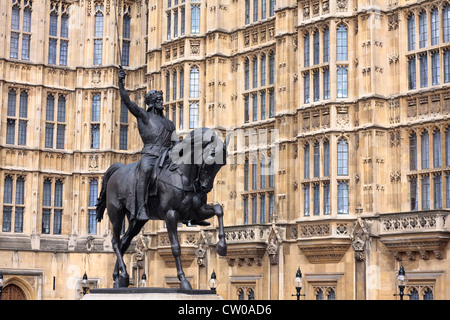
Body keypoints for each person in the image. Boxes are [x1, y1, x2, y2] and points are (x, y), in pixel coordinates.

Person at [118, 69, 176, 220]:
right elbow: (128, 102)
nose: (161, 102)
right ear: (151, 103)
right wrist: (121, 84)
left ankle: (191, 206)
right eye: (158, 100)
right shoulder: (144, 116)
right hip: (150, 155)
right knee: (144, 170)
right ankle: (142, 207)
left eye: (161, 99)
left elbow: (175, 142)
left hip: (167, 156)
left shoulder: (169, 123)